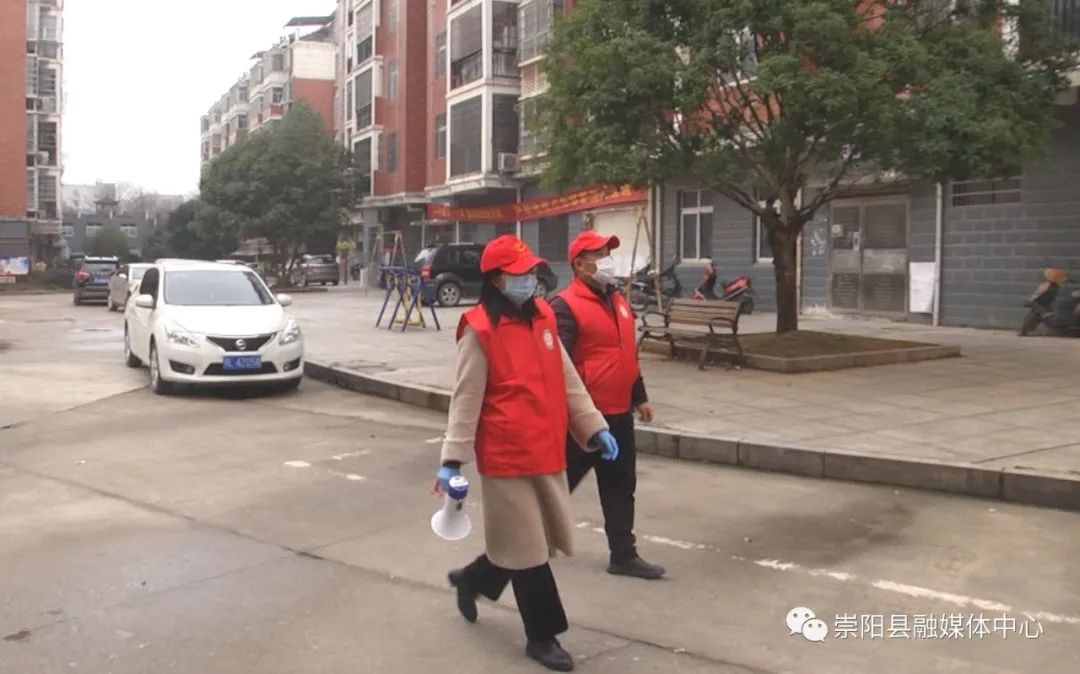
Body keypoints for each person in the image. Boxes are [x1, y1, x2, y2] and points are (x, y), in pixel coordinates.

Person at [436, 234, 620, 672]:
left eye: (531, 271)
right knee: (529, 550)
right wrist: (451, 460)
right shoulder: (480, 330)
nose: (530, 280)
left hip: (546, 449)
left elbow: (568, 380)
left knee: (527, 542)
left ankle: (471, 579)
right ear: (497, 279)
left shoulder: (543, 316)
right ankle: (543, 635)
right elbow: (466, 399)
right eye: (519, 274)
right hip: (507, 456)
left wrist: (593, 425)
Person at [549, 231, 666, 580]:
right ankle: (526, 542)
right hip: (584, 420)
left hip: (619, 414)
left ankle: (623, 554)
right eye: (599, 255)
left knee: (621, 486)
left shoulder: (617, 300)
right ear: (579, 264)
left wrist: (639, 396)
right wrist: (576, 413)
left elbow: (626, 353)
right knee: (559, 484)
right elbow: (560, 367)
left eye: (607, 253)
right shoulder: (565, 305)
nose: (607, 261)